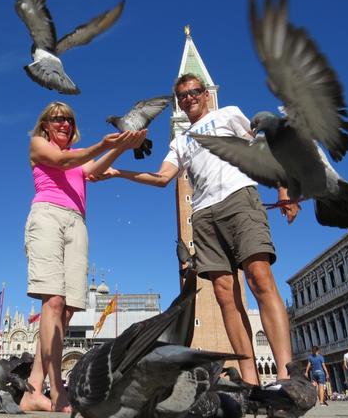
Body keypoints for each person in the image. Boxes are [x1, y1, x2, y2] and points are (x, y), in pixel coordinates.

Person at [93, 73, 298, 384]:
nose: (188, 98)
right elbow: (163, 179)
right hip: (202, 214)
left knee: (259, 277)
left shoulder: (228, 114)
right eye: (182, 95)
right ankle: (250, 379)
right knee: (224, 294)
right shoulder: (179, 141)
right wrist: (118, 172)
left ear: (206, 95)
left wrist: (284, 189)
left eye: (194, 92)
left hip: (240, 198)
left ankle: (285, 376)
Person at [19, 101, 146, 412]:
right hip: (48, 217)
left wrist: (123, 145)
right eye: (57, 118)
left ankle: (32, 390)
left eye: (69, 120)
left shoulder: (78, 161)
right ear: (45, 124)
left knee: (66, 311)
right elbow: (62, 160)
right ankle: (57, 389)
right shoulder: (39, 145)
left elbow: (93, 168)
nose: (63, 123)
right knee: (53, 302)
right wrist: (103, 143)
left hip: (77, 222)